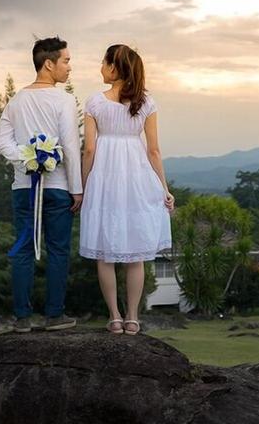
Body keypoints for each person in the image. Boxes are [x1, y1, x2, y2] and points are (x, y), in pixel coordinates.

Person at [79, 44, 175, 335]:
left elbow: (90, 149)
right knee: (136, 254)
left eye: (103, 62)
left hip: (104, 179)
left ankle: (114, 317)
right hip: (137, 178)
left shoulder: (95, 102)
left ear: (114, 67)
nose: (100, 68)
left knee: (105, 253)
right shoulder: (147, 103)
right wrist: (164, 187)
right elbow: (154, 151)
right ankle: (133, 317)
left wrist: (83, 187)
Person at [0, 36, 83, 332]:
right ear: (49, 64)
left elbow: (1, 142)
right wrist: (77, 188)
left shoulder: (16, 100)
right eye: (66, 61)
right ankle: (54, 316)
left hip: (23, 188)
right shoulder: (65, 99)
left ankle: (22, 318)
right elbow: (71, 146)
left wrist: (26, 158)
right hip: (58, 187)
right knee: (58, 250)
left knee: (23, 248)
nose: (70, 67)